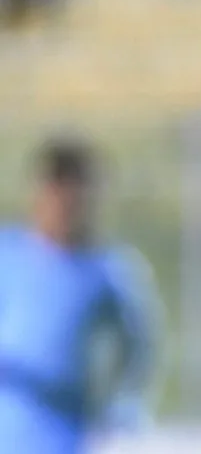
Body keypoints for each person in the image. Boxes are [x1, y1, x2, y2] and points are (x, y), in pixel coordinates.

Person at [0, 139, 160, 454]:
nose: (64, 206)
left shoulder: (107, 271)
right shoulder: (7, 252)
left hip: (62, 435)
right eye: (57, 192)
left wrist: (123, 404)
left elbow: (140, 346)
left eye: (75, 196)